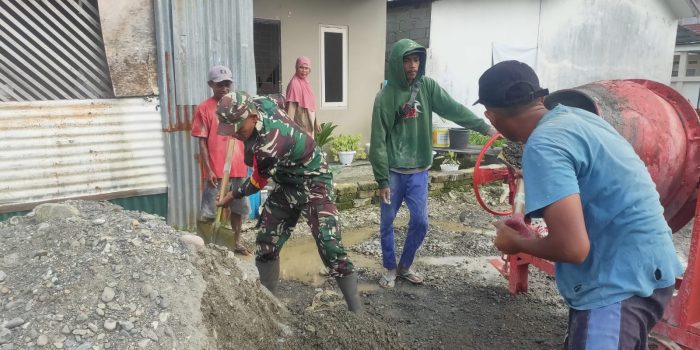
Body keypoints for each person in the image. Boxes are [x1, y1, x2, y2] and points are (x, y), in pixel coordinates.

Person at [478, 60, 684, 349]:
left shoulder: (544, 145)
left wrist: (517, 243)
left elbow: (572, 248)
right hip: (651, 268)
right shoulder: (579, 118)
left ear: (492, 117)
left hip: (615, 285)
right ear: (541, 98)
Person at [215, 91, 362, 313]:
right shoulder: (259, 102)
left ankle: (357, 313)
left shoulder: (269, 145)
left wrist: (232, 195)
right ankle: (269, 306)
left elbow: (257, 181)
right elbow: (279, 99)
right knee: (266, 242)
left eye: (237, 129)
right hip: (286, 181)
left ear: (253, 117)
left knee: (330, 245)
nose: (234, 135)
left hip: (313, 179)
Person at [369, 38, 497, 288]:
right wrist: (381, 179)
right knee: (387, 223)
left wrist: (485, 127)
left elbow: (454, 109)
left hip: (419, 171)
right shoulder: (385, 97)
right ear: (397, 63)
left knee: (420, 222)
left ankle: (405, 265)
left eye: (416, 60)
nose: (412, 65)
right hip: (393, 172)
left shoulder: (427, 87)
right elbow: (378, 140)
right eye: (407, 60)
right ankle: (390, 268)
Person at [191, 65, 251, 255]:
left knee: (238, 209)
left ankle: (236, 242)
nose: (224, 88)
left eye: (227, 84)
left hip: (238, 167)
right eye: (220, 85)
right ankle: (208, 246)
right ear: (211, 84)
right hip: (215, 171)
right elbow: (201, 142)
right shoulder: (204, 109)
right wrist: (207, 169)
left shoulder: (239, 106)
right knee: (209, 211)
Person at [285, 56, 319, 137]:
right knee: (303, 147)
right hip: (301, 126)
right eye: (301, 67)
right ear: (296, 68)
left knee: (309, 148)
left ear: (310, 70)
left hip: (308, 124)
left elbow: (311, 104)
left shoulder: (305, 82)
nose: (304, 71)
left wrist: (316, 121)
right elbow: (291, 109)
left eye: (306, 68)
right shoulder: (294, 84)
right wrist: (290, 131)